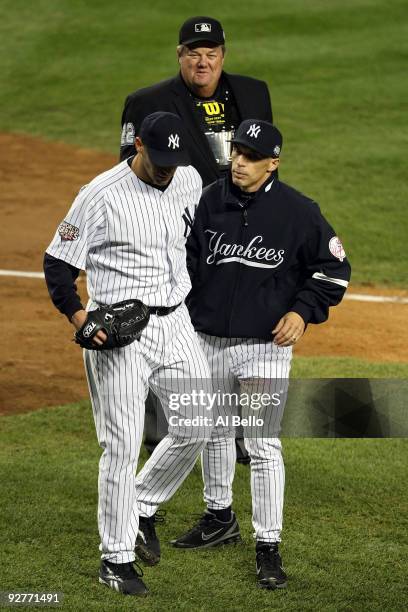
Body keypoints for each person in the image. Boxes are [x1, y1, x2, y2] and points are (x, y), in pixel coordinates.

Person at [165, 119, 351, 589]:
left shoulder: (299, 213)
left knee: (263, 445)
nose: (239, 163)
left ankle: (268, 546)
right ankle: (218, 517)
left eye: (250, 157)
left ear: (274, 163)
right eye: (236, 154)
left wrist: (303, 312)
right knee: (214, 432)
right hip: (205, 341)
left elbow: (334, 269)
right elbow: (182, 259)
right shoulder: (209, 200)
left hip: (264, 348)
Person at [43, 112, 214, 597]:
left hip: (176, 322)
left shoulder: (188, 179)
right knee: (119, 445)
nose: (166, 170)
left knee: (198, 423)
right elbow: (58, 261)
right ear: (137, 144)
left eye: (173, 162)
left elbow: (191, 242)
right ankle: (115, 559)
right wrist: (80, 320)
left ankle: (140, 505)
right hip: (119, 332)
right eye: (158, 159)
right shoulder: (99, 194)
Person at [121, 15, 273, 460]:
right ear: (180, 55)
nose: (202, 62)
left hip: (241, 231)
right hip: (179, 232)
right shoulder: (147, 101)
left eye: (211, 54)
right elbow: (130, 169)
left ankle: (236, 431)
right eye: (193, 53)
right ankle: (158, 428)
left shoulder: (254, 93)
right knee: (167, 323)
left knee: (238, 326)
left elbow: (265, 158)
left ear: (223, 55)